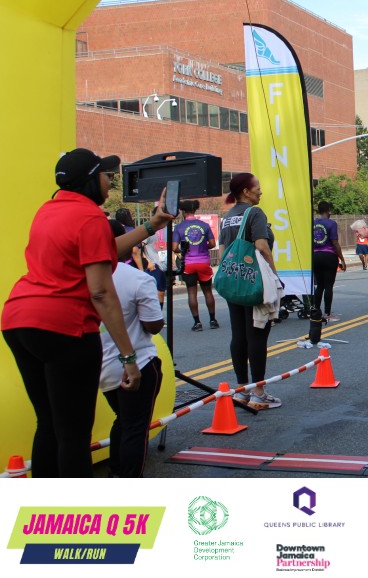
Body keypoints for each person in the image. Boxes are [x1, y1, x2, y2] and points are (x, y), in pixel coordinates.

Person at [2, 148, 172, 477]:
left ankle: (43, 505)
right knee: (75, 434)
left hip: (19, 320)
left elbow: (102, 249)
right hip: (64, 327)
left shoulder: (48, 210)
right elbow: (100, 292)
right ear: (91, 180)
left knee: (49, 422)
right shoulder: (90, 217)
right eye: (106, 176)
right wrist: (128, 357)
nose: (110, 183)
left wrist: (151, 226)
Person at [100, 220, 164, 477]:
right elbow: (154, 325)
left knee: (123, 420)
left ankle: (115, 473)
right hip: (137, 363)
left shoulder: (79, 275)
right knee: (136, 428)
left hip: (102, 367)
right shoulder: (138, 278)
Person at [219, 172, 281, 411]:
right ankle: (258, 393)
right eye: (257, 187)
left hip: (233, 281)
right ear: (246, 191)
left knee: (238, 335)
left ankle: (242, 389)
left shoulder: (227, 217)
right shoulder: (254, 213)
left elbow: (223, 250)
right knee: (257, 334)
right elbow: (262, 247)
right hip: (254, 281)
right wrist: (274, 276)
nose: (260, 191)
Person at [173, 200, 219, 331]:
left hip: (189, 264)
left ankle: (197, 323)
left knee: (191, 293)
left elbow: (174, 247)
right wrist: (203, 247)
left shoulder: (179, 227)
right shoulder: (204, 225)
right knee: (208, 291)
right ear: (194, 211)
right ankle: (213, 320)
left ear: (183, 212)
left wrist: (183, 250)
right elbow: (212, 244)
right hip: (204, 262)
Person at [313, 201, 347, 320]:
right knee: (328, 286)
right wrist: (342, 259)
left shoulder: (313, 223)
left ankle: (316, 311)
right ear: (328, 211)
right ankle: (327, 313)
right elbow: (335, 243)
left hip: (316, 256)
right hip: (329, 255)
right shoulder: (331, 223)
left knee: (319, 285)